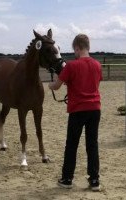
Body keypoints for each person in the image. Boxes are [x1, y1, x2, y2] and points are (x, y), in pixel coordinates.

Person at [48, 34, 102, 191]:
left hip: (78, 109)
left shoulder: (71, 66)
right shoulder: (97, 65)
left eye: (74, 50)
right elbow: (95, 83)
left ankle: (67, 179)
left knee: (72, 144)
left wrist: (50, 85)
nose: (74, 53)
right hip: (95, 109)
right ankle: (94, 180)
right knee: (92, 145)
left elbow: (57, 86)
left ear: (77, 48)